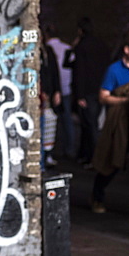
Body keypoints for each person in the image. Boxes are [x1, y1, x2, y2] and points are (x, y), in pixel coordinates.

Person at [90, 33, 129, 213]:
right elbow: (103, 97)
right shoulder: (113, 70)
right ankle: (97, 197)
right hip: (119, 123)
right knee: (111, 161)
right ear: (127, 50)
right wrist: (125, 101)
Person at [65, 17, 110, 167]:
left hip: (87, 91)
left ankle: (93, 158)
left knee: (89, 126)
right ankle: (86, 155)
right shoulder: (101, 45)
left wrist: (80, 95)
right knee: (91, 125)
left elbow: (78, 71)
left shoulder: (81, 46)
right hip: (100, 89)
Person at [45, 24, 76, 161]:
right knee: (67, 120)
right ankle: (69, 148)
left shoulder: (47, 50)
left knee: (49, 122)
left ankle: (50, 150)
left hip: (52, 89)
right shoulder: (67, 48)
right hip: (66, 87)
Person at [37, 26, 63, 168]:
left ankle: (46, 156)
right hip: (41, 94)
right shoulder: (37, 53)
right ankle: (42, 160)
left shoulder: (47, 52)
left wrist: (56, 91)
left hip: (47, 94)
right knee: (43, 126)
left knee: (48, 127)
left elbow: (54, 72)